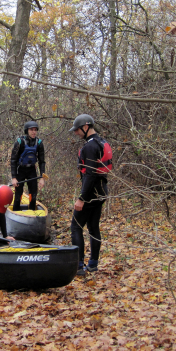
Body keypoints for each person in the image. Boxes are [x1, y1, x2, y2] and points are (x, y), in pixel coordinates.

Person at [69, 114, 113, 275]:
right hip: (102, 191)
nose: (76, 133)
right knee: (93, 227)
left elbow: (90, 175)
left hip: (91, 192)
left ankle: (79, 266)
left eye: (77, 130)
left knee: (75, 227)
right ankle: (93, 264)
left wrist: (81, 198)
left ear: (85, 127)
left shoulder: (89, 147)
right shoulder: (102, 142)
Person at [10, 121, 46, 211]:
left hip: (31, 170)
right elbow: (13, 160)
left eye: (35, 130)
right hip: (20, 170)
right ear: (27, 131)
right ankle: (16, 210)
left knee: (33, 193)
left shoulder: (39, 143)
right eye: (31, 130)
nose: (34, 132)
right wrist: (14, 177)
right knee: (18, 193)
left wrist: (42, 177)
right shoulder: (19, 142)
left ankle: (32, 211)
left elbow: (42, 161)